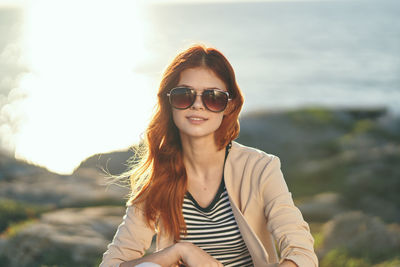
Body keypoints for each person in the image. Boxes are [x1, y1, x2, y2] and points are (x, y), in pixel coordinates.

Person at [100, 44, 318, 267]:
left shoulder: (260, 168)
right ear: (169, 102)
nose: (197, 105)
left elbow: (301, 253)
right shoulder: (159, 178)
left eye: (213, 97)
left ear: (228, 106)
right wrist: (179, 251)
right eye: (184, 95)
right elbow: (112, 264)